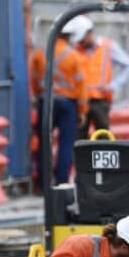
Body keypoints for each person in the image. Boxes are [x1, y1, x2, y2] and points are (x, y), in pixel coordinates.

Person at [31, 30, 88, 185]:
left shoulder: (40, 53)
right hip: (67, 104)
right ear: (69, 36)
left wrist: (39, 96)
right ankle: (62, 182)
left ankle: (43, 183)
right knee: (66, 144)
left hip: (46, 101)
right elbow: (81, 84)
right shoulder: (73, 55)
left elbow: (34, 78)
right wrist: (83, 110)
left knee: (44, 143)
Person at [63, 15, 129, 135]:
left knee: (103, 137)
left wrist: (113, 86)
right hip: (81, 101)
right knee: (79, 138)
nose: (81, 43)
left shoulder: (108, 47)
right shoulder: (75, 50)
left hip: (101, 101)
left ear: (89, 32)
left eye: (82, 40)